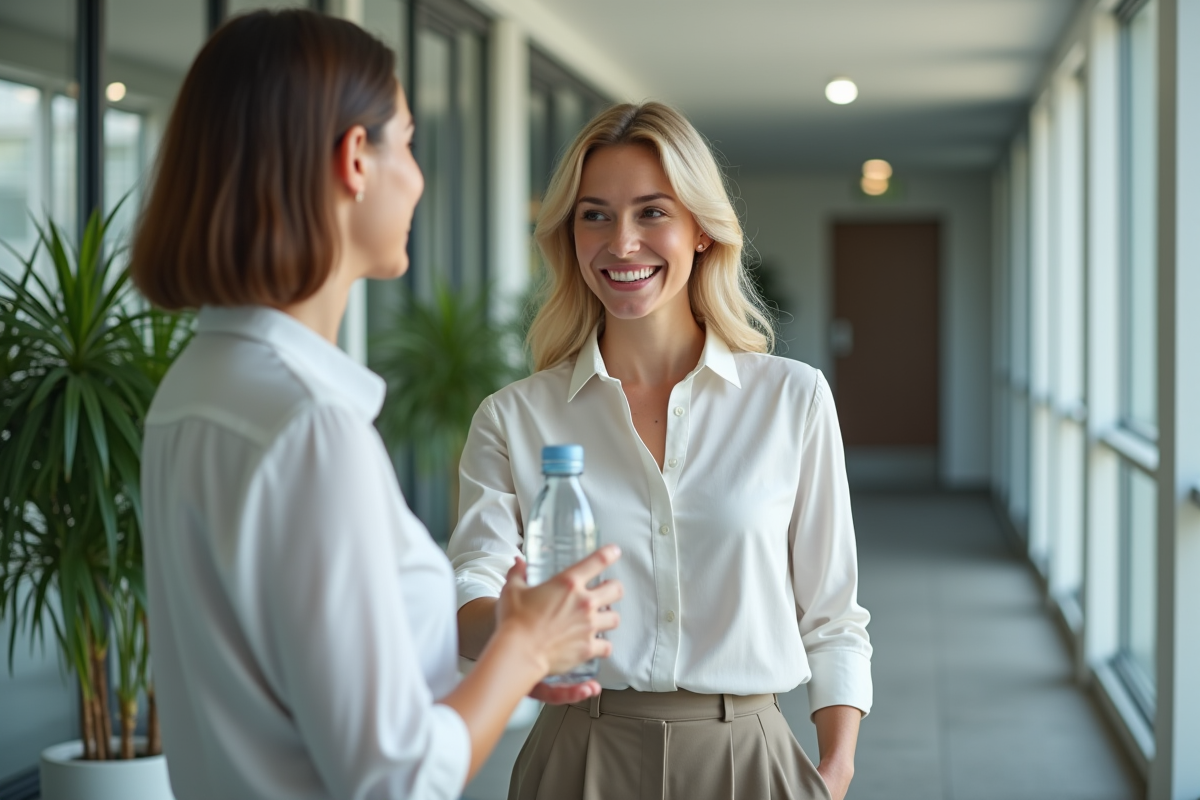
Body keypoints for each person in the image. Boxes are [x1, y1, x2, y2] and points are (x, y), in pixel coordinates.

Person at [130, 10, 622, 800]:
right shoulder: (310, 427)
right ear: (356, 158)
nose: (421, 178)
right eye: (410, 140)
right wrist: (523, 649)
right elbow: (392, 778)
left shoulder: (196, 387)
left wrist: (504, 632)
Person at [447, 102, 872, 800]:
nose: (621, 242)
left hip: (748, 758)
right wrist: (517, 623)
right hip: (577, 757)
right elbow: (471, 601)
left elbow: (833, 613)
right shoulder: (514, 418)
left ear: (701, 230)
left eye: (652, 213)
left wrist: (835, 770)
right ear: (568, 235)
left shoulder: (792, 400)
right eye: (595, 215)